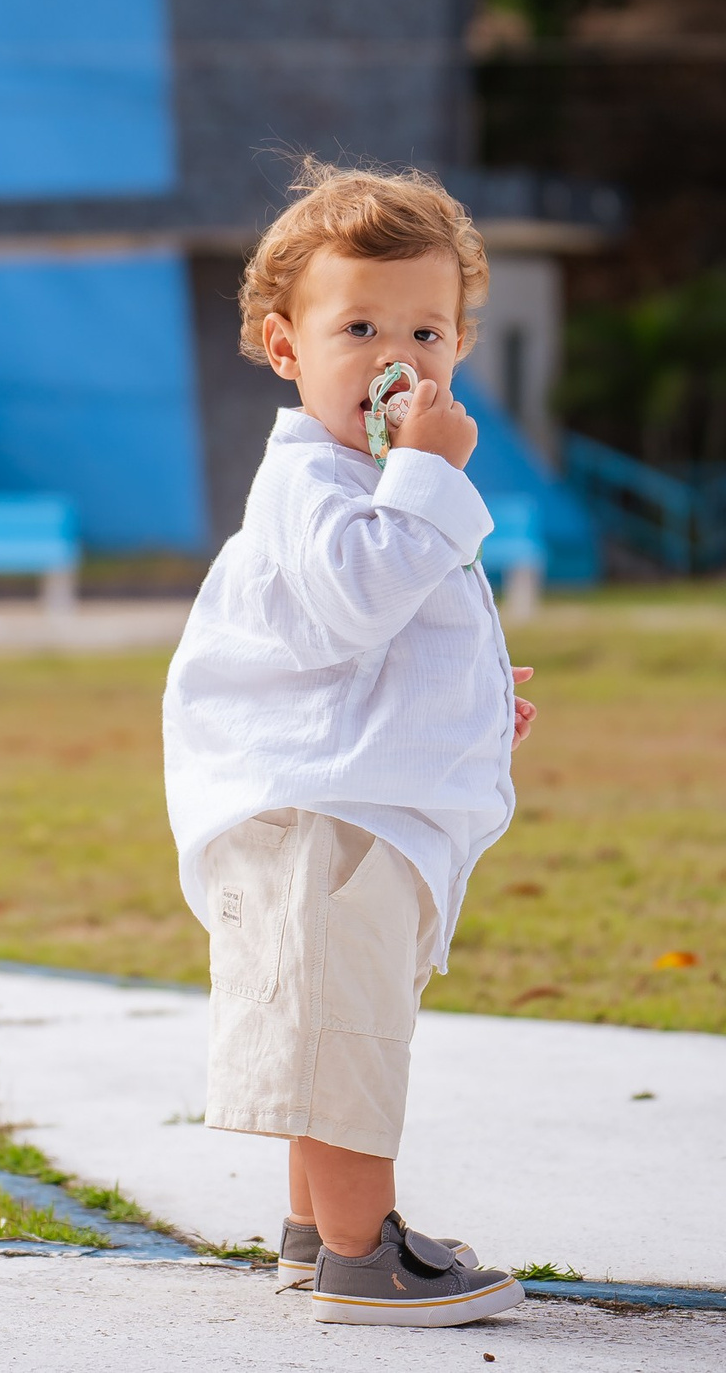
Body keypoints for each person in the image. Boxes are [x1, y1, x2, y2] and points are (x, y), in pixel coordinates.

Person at [163, 164, 535, 1329]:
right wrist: (431, 467)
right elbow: (357, 596)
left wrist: (475, 692)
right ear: (285, 348)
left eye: (427, 330)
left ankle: (311, 1233)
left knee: (330, 1028)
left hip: (354, 801)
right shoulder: (317, 480)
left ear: (462, 344)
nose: (397, 358)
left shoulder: (378, 480)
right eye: (359, 327)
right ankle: (364, 1259)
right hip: (321, 818)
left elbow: (378, 636)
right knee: (341, 1042)